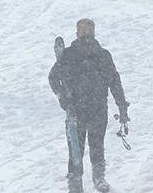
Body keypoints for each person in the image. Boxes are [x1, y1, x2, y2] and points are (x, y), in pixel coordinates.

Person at [48, 18, 129, 193]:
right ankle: (75, 184)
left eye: (90, 28)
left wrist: (122, 105)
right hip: (75, 111)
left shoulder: (103, 55)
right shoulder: (67, 56)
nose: (86, 32)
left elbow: (114, 81)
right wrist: (64, 99)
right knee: (75, 151)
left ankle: (99, 178)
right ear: (76, 32)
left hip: (98, 109)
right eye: (82, 29)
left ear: (94, 31)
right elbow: (53, 78)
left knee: (97, 146)